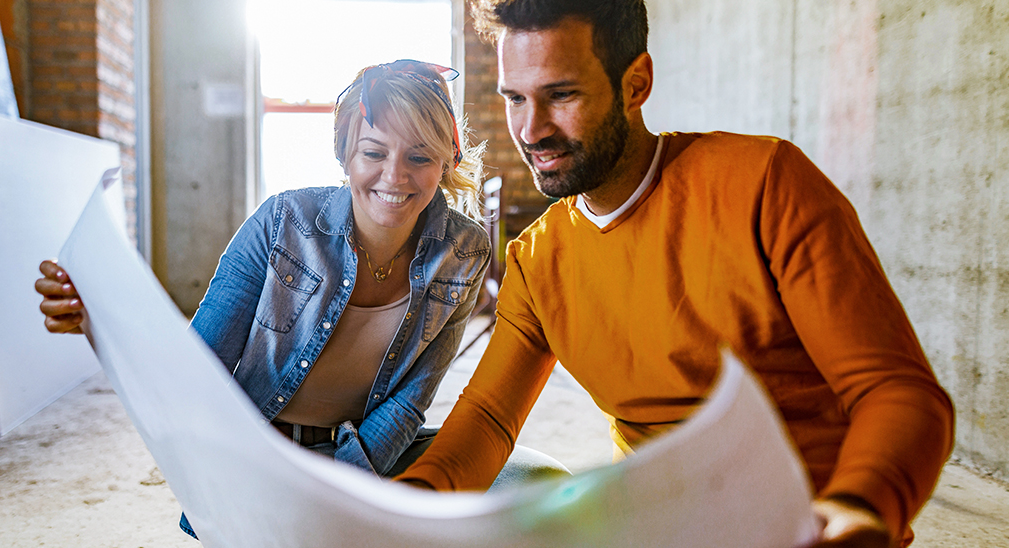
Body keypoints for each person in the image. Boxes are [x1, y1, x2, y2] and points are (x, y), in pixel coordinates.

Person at [395, 2, 954, 548]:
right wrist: (407, 505)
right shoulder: (536, 260)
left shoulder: (765, 185)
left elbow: (897, 393)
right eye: (515, 98)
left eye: (561, 94)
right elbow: (490, 420)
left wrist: (857, 506)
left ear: (636, 84)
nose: (531, 129)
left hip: (809, 523)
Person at [37, 59, 567, 539]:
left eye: (420, 156)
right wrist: (98, 318)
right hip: (259, 463)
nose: (395, 176)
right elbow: (198, 371)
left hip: (366, 456)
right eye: (374, 152)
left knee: (539, 483)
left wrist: (343, 491)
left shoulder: (464, 250)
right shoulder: (280, 224)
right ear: (345, 154)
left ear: (448, 159)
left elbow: (411, 400)